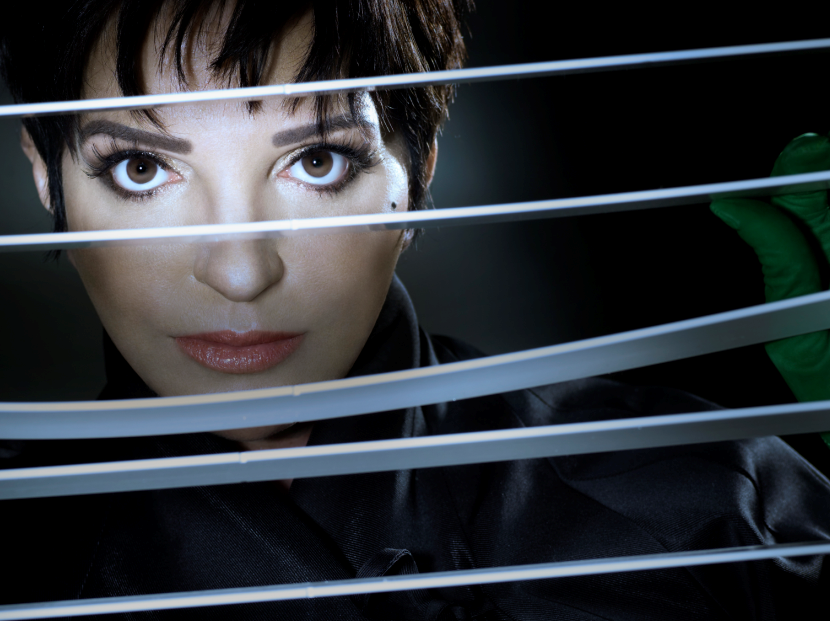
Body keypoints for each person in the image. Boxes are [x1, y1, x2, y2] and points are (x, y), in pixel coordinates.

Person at [1, 1, 830, 619]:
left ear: (419, 168)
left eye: (317, 162)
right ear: (46, 172)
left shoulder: (717, 508)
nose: (241, 273)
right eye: (142, 170)